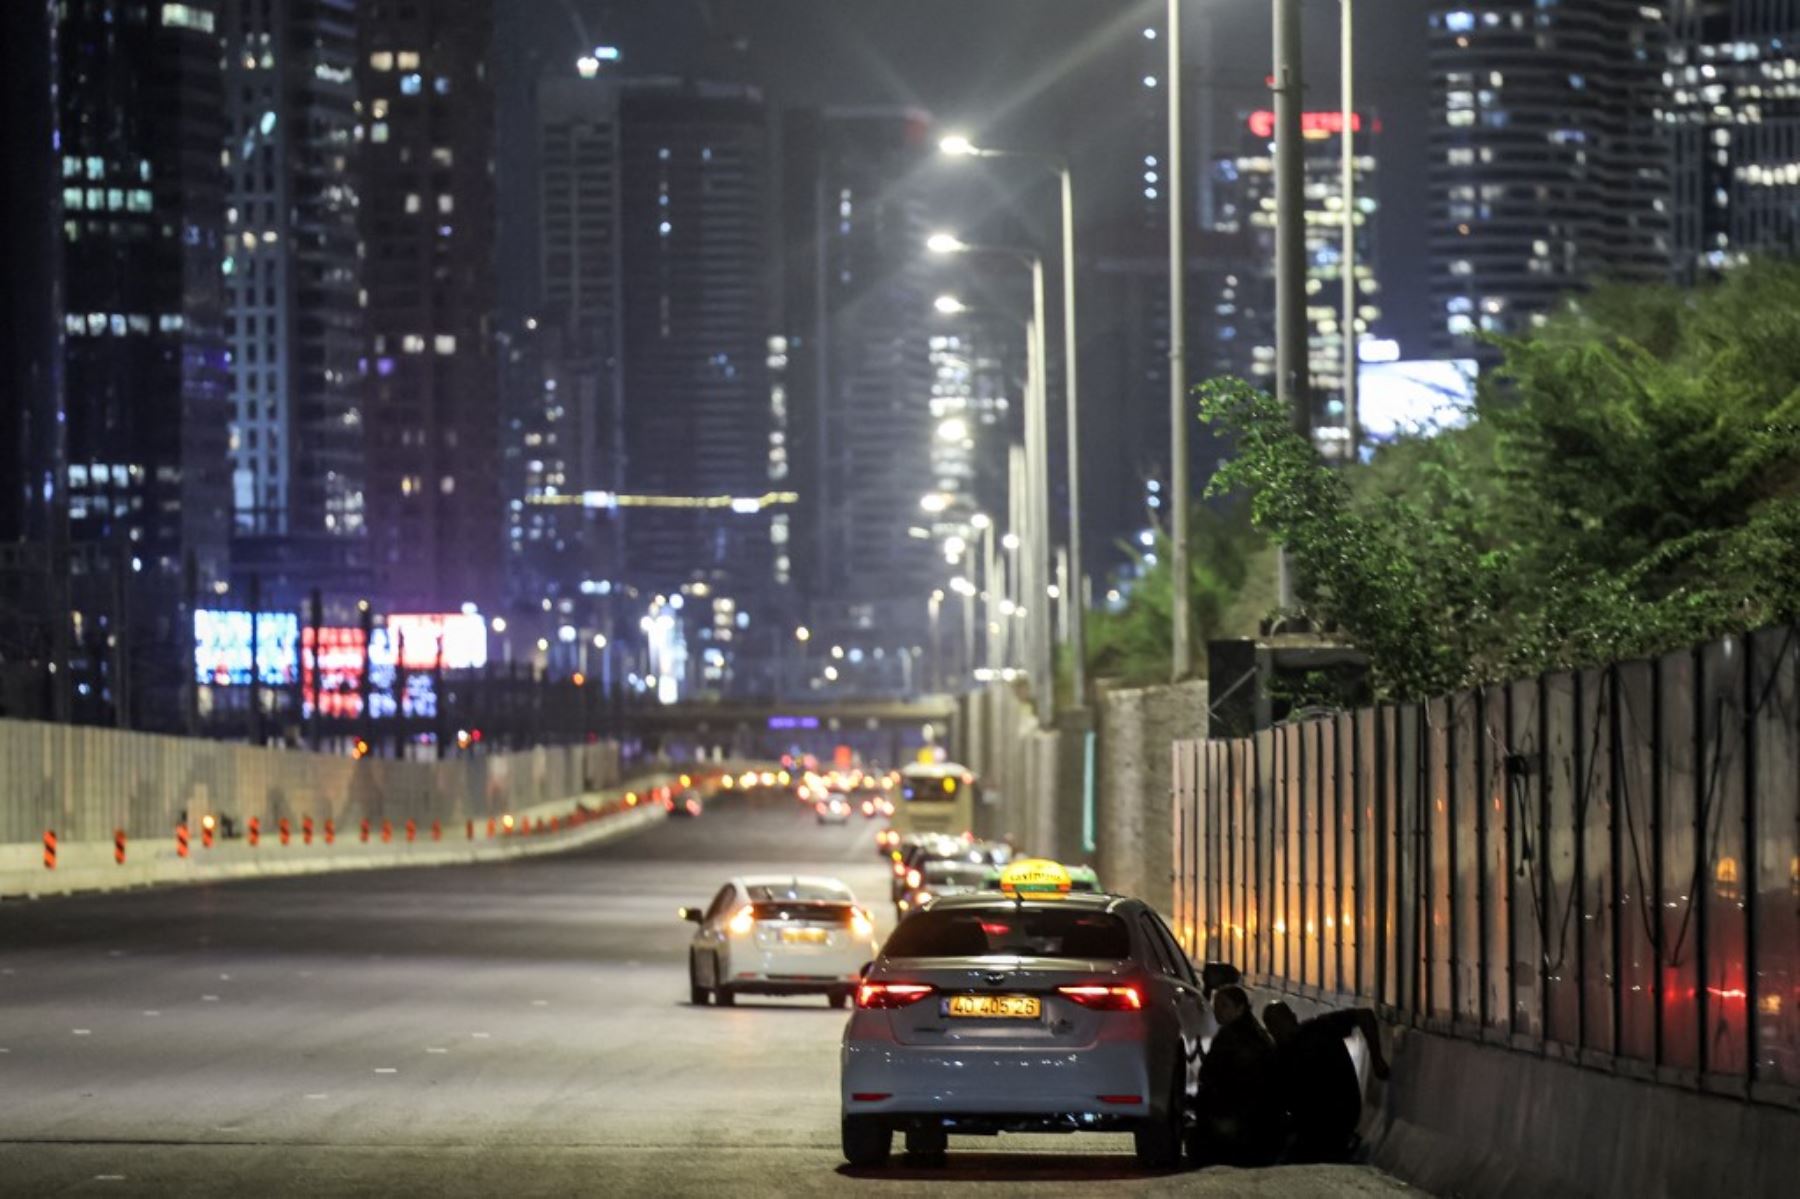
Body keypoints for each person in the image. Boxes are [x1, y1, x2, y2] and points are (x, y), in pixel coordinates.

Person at [1262, 1000, 1391, 1163]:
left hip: (1332, 1119)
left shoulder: (1318, 1029)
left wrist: (1376, 1058)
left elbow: (1365, 1015)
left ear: (1293, 1018)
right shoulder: (1281, 1054)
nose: (1280, 1029)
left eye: (1281, 1023)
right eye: (1275, 1025)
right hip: (1321, 1123)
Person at [1192, 984, 1281, 1167]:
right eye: (1216, 1005)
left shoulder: (1233, 1037)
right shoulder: (1256, 1034)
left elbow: (1213, 1075)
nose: (1218, 1011)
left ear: (1240, 1008)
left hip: (1237, 1115)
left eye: (1224, 1005)